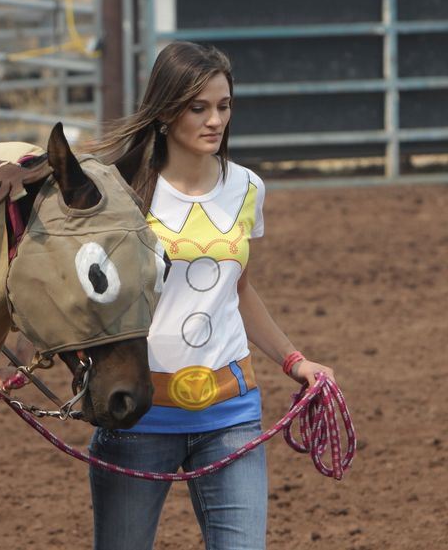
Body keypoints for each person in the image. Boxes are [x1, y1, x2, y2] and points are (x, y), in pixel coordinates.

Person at [84, 41, 335, 550]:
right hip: (138, 416)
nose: (214, 120)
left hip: (231, 413)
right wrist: (21, 358)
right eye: (199, 107)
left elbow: (238, 289)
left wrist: (295, 360)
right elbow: (85, 291)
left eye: (223, 106)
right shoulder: (122, 193)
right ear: (165, 112)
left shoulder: (247, 188)